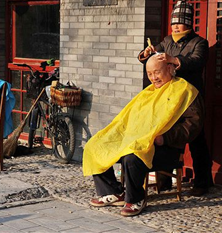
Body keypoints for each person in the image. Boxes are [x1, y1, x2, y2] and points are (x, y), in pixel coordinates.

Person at [83, 56, 204, 217]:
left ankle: (136, 199)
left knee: (132, 156)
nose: (153, 78)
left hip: (166, 148)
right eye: (149, 74)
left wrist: (165, 137)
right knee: (95, 145)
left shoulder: (186, 91)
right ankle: (113, 192)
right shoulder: (148, 92)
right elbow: (128, 119)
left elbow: (193, 125)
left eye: (157, 72)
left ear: (169, 68)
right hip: (138, 141)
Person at [138, 0, 214, 196]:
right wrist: (146, 53)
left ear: (189, 23)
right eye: (174, 22)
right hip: (169, 98)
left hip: (190, 98)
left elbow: (197, 61)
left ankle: (202, 182)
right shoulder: (166, 41)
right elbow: (155, 53)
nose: (175, 26)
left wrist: (174, 60)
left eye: (180, 22)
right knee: (165, 136)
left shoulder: (199, 42)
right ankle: (163, 182)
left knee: (196, 139)